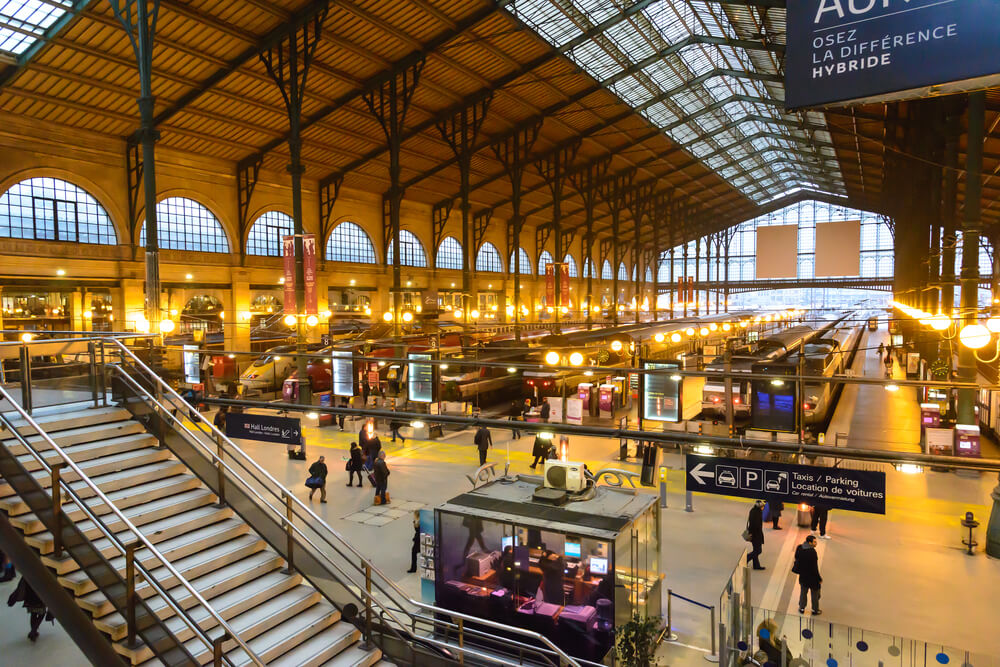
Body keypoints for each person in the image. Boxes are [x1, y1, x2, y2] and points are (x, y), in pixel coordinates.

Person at [7, 577, 48, 642]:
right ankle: (33, 631)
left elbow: (21, 585)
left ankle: (33, 631)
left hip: (29, 598)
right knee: (42, 614)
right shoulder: (41, 574)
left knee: (33, 614)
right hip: (39, 598)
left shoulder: (28, 573)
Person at [793, 535, 822, 615]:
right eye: (814, 542)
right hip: (812, 577)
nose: (816, 543)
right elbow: (814, 568)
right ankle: (815, 610)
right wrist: (819, 578)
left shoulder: (799, 547)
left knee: (803, 592)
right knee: (815, 594)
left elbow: (796, 558)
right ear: (810, 542)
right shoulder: (812, 552)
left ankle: (802, 608)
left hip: (803, 576)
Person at [746, 500, 765, 570]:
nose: (763, 508)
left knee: (756, 549)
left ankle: (756, 565)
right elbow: (756, 525)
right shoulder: (757, 513)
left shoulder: (753, 510)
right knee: (758, 551)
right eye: (762, 506)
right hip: (756, 535)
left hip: (754, 534)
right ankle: (746, 558)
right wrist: (758, 535)